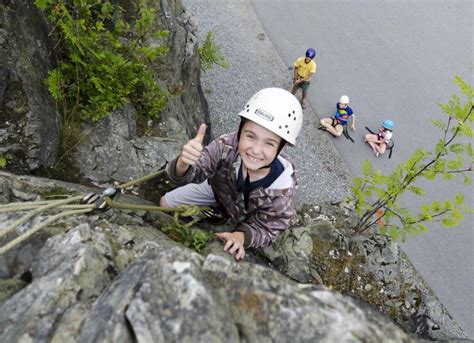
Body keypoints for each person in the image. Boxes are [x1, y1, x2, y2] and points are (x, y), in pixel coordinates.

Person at [160, 88, 303, 261]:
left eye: (269, 143)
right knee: (165, 203)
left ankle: (220, 217)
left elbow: (269, 227)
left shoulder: (281, 190)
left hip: (245, 218)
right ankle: (215, 213)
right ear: (240, 130)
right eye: (250, 136)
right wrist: (183, 163)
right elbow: (199, 168)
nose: (256, 150)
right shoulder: (226, 146)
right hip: (215, 191)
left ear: (282, 147)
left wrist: (241, 237)